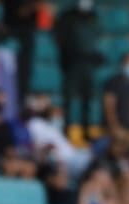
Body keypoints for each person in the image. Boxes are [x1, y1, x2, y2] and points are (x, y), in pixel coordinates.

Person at [54, 0, 102, 142]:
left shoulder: (94, 17)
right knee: (69, 98)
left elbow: (96, 39)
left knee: (88, 98)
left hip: (89, 63)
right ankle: (67, 128)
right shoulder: (67, 17)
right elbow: (59, 38)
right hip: (72, 62)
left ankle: (87, 129)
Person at [101, 53, 129, 155]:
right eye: (128, 63)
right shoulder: (113, 83)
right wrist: (114, 127)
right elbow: (109, 107)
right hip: (117, 130)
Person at [2, 0, 38, 104]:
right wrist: (36, 5)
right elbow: (21, 12)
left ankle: (21, 103)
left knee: (24, 77)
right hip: (13, 37)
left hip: (27, 42)